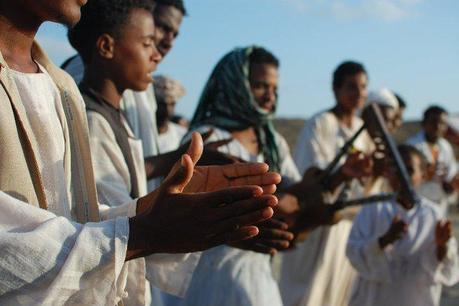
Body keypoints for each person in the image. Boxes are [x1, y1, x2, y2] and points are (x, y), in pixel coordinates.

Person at [0, 1, 280, 304]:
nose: (157, 52)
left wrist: (151, 209)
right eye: (147, 42)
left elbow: (74, 219)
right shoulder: (81, 97)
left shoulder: (62, 87)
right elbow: (11, 249)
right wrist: (141, 233)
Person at [163, 46, 299, 306]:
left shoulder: (272, 141)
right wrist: (275, 201)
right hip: (212, 281)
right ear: (236, 85)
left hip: (259, 279)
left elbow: (297, 194)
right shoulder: (207, 139)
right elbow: (182, 213)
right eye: (260, 86)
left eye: (274, 88)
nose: (270, 96)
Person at [280, 61, 373, 306]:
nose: (359, 93)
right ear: (336, 89)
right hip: (316, 226)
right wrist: (342, 173)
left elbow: (367, 182)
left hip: (346, 228)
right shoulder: (320, 124)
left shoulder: (362, 133)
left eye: (363, 87)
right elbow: (310, 178)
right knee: (308, 294)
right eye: (352, 87)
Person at [346, 144, 459, 306]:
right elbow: (353, 252)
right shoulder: (372, 208)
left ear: (423, 175)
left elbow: (446, 267)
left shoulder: (433, 214)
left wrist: (442, 246)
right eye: (396, 170)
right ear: (388, 172)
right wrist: (384, 240)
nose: (402, 177)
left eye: (409, 170)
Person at [406, 105, 459, 215]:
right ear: (424, 124)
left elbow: (451, 174)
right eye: (434, 122)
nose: (438, 127)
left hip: (440, 204)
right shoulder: (412, 146)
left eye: (442, 123)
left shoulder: (445, 147)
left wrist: (449, 184)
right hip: (417, 203)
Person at [154, 75, 188, 154]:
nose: (167, 110)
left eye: (172, 104)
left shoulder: (182, 135)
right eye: (162, 104)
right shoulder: (138, 132)